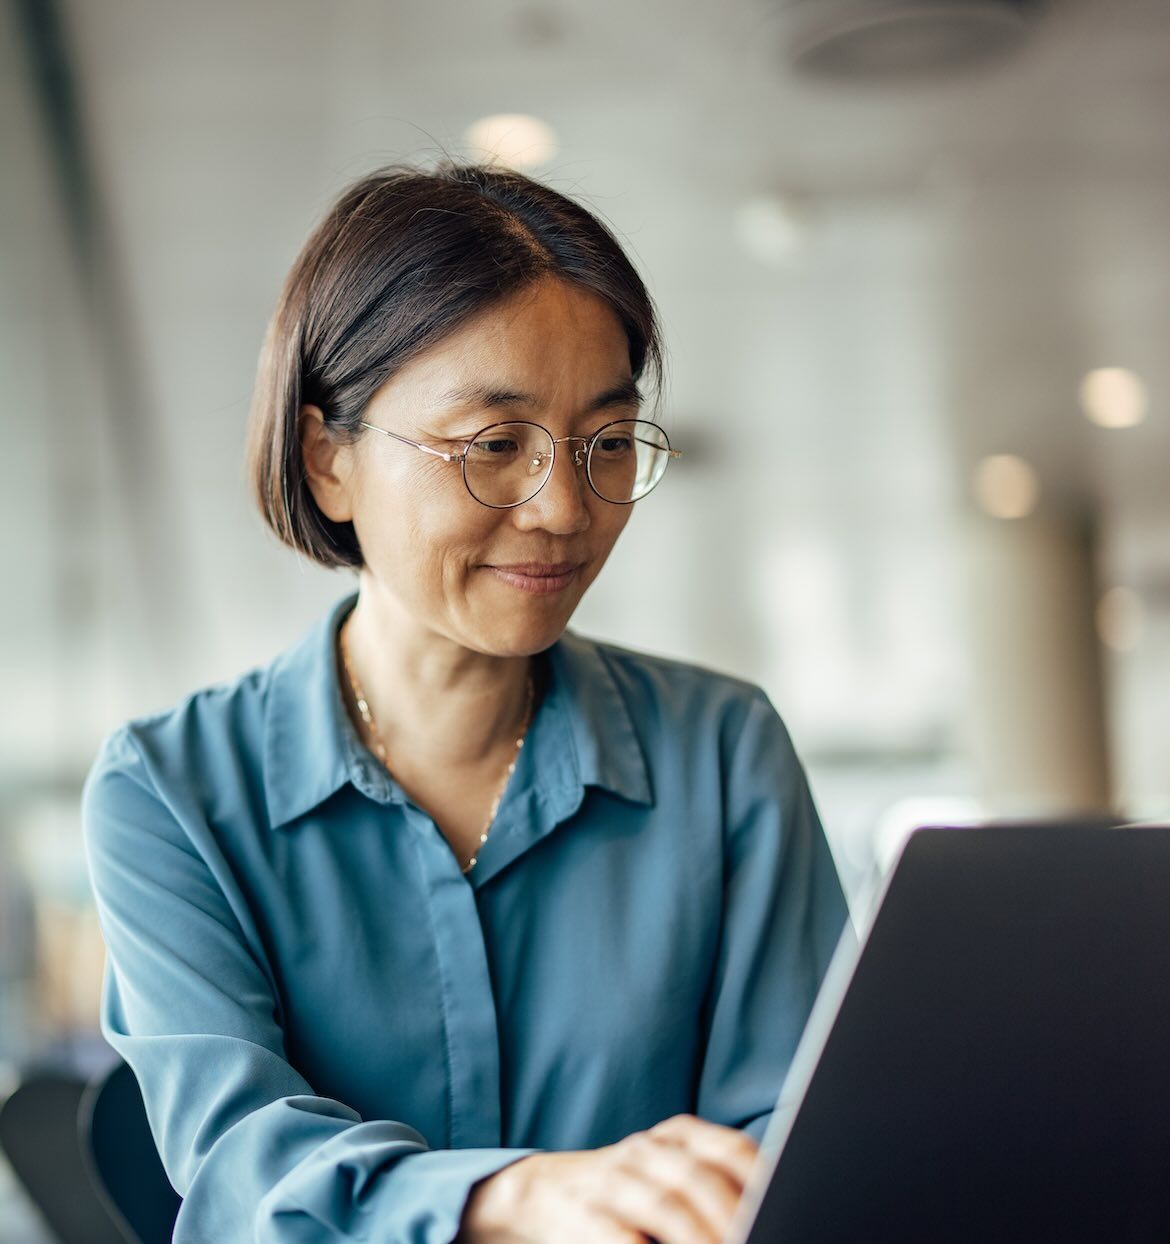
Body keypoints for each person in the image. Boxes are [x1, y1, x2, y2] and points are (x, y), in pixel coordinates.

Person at [81, 158, 853, 1244]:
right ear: (328, 456)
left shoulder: (721, 753)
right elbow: (242, 1176)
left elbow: (798, 1144)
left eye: (607, 444)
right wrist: (517, 1197)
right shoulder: (170, 791)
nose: (562, 510)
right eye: (495, 445)